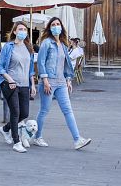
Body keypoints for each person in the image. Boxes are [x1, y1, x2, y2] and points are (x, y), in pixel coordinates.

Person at [33, 17, 92, 150]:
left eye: (58, 24)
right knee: (44, 110)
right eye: (53, 24)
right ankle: (37, 136)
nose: (56, 26)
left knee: (68, 110)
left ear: (61, 27)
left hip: (61, 83)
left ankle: (77, 139)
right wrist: (45, 81)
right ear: (49, 28)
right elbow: (41, 62)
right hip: (48, 82)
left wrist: (68, 79)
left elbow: (65, 64)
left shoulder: (64, 44)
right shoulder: (46, 43)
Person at [0, 21, 37, 153]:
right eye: (20, 29)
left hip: (25, 84)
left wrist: (33, 85)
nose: (23, 31)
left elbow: (31, 69)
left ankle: (5, 129)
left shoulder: (28, 47)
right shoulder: (8, 47)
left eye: (25, 29)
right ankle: (16, 141)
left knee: (24, 113)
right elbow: (0, 67)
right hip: (10, 84)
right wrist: (9, 80)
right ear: (14, 32)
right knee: (15, 112)